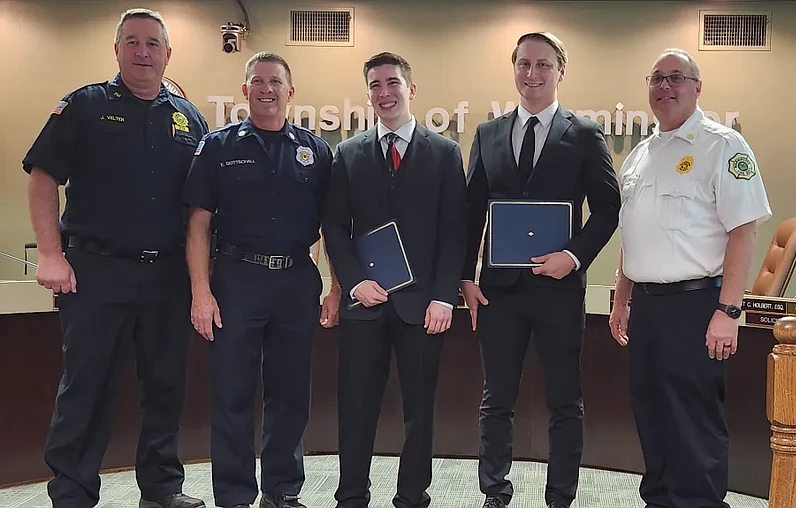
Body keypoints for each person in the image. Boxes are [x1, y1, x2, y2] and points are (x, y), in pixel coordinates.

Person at [22, 8, 207, 508]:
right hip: (96, 272)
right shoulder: (83, 106)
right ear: (117, 50)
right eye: (132, 42)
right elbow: (42, 178)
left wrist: (200, 280)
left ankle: (162, 489)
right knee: (88, 385)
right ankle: (73, 492)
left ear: (168, 53)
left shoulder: (190, 119)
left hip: (167, 275)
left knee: (166, 384)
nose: (143, 51)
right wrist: (50, 255)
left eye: (153, 43)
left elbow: (200, 208)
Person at [461, 32, 621, 508]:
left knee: (564, 401)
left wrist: (572, 257)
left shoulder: (586, 134)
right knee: (496, 399)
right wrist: (465, 278)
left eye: (543, 65)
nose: (533, 73)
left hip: (558, 289)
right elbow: (471, 211)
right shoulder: (488, 133)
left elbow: (609, 209)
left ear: (560, 71)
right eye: (524, 64)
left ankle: (560, 497)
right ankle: (495, 491)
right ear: (514, 69)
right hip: (499, 290)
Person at [609, 48, 771, 508]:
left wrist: (727, 310)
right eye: (656, 79)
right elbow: (633, 235)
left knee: (692, 420)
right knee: (652, 413)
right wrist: (622, 299)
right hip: (648, 307)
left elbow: (744, 231)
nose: (665, 87)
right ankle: (659, 499)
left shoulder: (723, 146)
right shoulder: (639, 155)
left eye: (676, 77)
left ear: (697, 87)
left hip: (697, 306)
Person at [183, 51, 338, 508]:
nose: (266, 88)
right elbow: (198, 224)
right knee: (233, 391)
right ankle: (233, 495)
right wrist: (200, 291)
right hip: (236, 279)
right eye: (257, 81)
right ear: (245, 89)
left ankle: (282, 491)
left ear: (291, 92)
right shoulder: (218, 146)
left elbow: (332, 226)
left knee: (290, 392)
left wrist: (334, 285)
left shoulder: (316, 150)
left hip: (295, 281)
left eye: (275, 81)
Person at [321, 52, 467, 508]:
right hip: (365, 303)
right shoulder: (347, 153)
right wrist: (350, 281)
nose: (384, 93)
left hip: (423, 307)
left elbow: (454, 232)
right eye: (375, 85)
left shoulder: (444, 152)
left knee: (418, 412)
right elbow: (335, 229)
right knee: (356, 408)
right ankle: (351, 496)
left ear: (411, 89)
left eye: (392, 83)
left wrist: (445, 296)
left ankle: (411, 497)